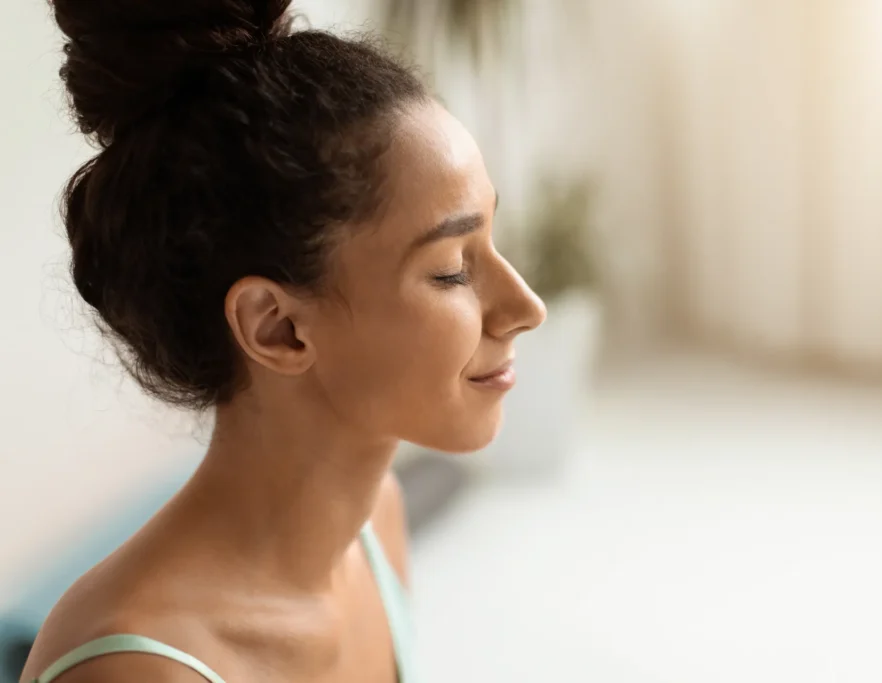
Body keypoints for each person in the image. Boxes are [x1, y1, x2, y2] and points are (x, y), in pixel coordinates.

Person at [20, 0, 546, 681]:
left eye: (490, 238)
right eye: (451, 270)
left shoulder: (373, 527)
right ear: (278, 327)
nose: (526, 307)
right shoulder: (138, 670)